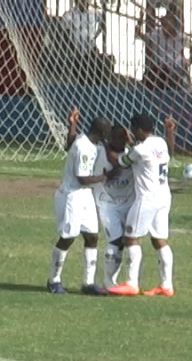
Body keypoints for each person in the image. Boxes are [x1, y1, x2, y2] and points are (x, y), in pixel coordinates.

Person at [107, 113, 175, 297]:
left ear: (137, 129)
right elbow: (166, 151)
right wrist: (169, 132)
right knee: (159, 240)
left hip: (147, 199)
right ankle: (166, 285)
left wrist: (108, 149)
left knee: (130, 238)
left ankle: (131, 283)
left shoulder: (140, 150)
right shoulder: (160, 142)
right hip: (163, 197)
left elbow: (121, 162)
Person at [47, 109, 112, 295]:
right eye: (106, 133)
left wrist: (72, 124)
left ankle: (88, 283)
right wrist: (104, 177)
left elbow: (69, 143)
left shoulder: (90, 142)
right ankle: (54, 280)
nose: (107, 136)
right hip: (72, 195)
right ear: (100, 132)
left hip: (85, 196)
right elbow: (83, 178)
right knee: (68, 237)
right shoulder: (83, 146)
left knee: (92, 236)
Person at [92, 124, 135, 289]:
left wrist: (131, 145)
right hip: (107, 202)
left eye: (123, 138)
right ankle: (108, 281)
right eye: (117, 137)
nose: (121, 140)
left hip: (128, 202)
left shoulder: (132, 153)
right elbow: (113, 162)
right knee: (115, 240)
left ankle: (113, 282)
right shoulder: (99, 151)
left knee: (123, 242)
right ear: (110, 138)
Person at [135, 4, 192, 90]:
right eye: (165, 24)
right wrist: (140, 19)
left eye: (168, 24)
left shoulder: (181, 37)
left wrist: (189, 61)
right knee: (153, 73)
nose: (166, 27)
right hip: (160, 69)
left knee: (177, 67)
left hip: (175, 70)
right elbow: (137, 34)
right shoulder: (156, 35)